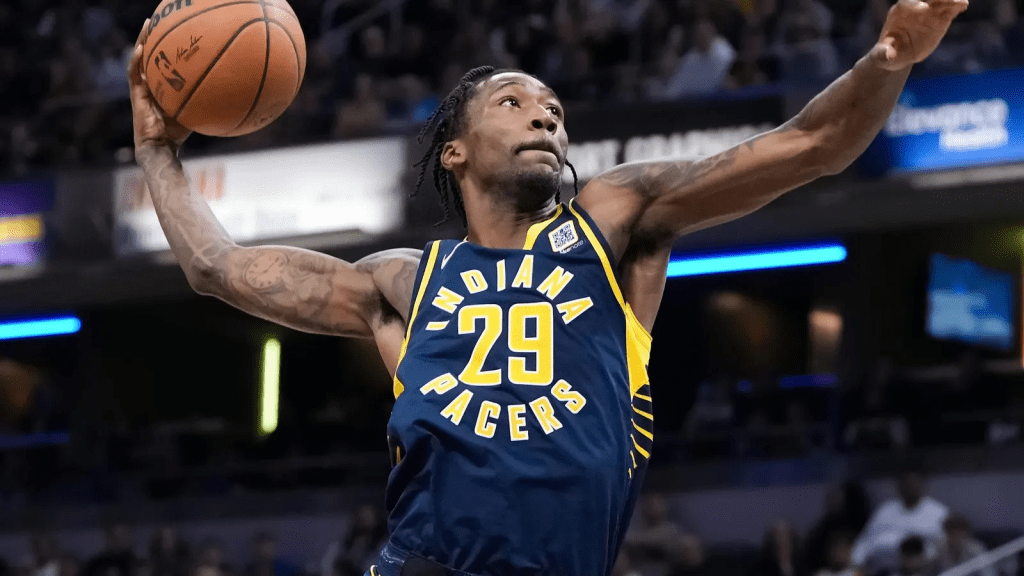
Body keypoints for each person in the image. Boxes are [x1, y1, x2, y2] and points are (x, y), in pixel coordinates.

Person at [126, 1, 968, 574]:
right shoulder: (408, 282)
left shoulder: (615, 222)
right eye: (513, 102)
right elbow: (216, 267)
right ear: (454, 150)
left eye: (555, 109)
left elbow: (812, 145)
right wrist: (157, 147)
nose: (545, 115)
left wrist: (889, 57)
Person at [851, 471, 949, 573]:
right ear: (899, 487)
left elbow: (945, 547)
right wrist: (856, 563)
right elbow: (864, 540)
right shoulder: (885, 510)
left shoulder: (938, 512)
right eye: (907, 484)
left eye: (914, 483)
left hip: (923, 569)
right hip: (879, 568)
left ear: (923, 485)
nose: (910, 487)